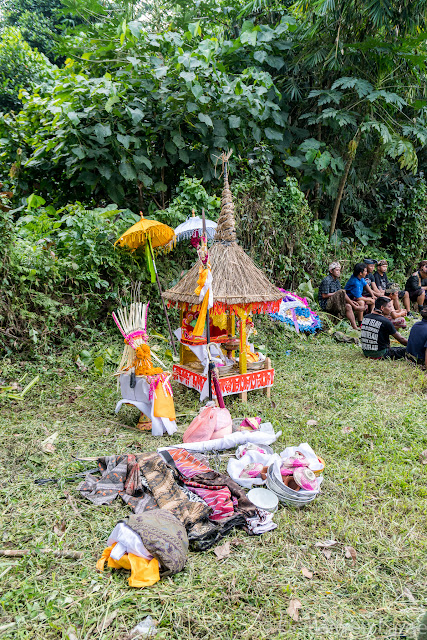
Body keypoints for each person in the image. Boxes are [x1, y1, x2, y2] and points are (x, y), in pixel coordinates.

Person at [318, 262, 364, 330]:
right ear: (331, 271)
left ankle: (355, 327)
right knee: (342, 291)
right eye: (337, 270)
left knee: (348, 306)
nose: (338, 272)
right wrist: (337, 293)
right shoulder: (326, 280)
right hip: (326, 304)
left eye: (339, 270)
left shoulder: (337, 281)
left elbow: (342, 295)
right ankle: (355, 307)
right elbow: (324, 295)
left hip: (335, 302)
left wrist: (351, 301)